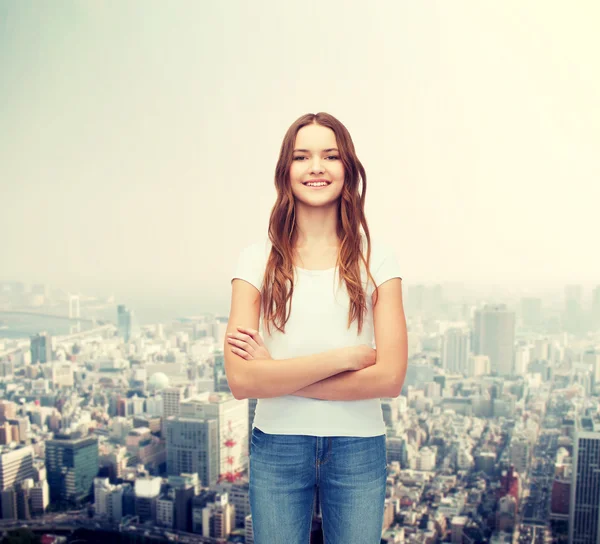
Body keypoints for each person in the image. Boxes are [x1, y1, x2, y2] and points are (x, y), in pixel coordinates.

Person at [224, 112, 408, 544]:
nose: (317, 167)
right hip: (278, 444)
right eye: (302, 156)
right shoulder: (255, 261)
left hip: (358, 445)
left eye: (331, 155)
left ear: (348, 169)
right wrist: (342, 359)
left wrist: (278, 374)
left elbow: (390, 378)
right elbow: (241, 379)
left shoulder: (378, 259)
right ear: (285, 171)